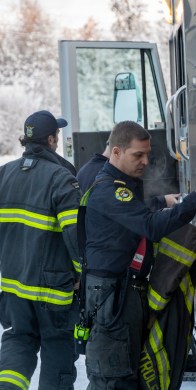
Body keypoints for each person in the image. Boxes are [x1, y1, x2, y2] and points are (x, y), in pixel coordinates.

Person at [82, 120, 196, 389]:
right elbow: (150, 226)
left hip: (120, 294)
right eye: (138, 154)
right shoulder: (109, 190)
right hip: (111, 297)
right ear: (116, 152)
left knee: (127, 373)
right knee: (113, 378)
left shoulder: (123, 186)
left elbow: (145, 217)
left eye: (147, 154)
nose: (145, 161)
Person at [0, 110, 81, 389]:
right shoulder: (62, 178)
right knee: (57, 350)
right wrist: (84, 274)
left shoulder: (4, 174)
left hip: (13, 286)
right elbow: (76, 236)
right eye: (56, 134)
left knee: (18, 342)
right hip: (53, 291)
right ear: (51, 139)